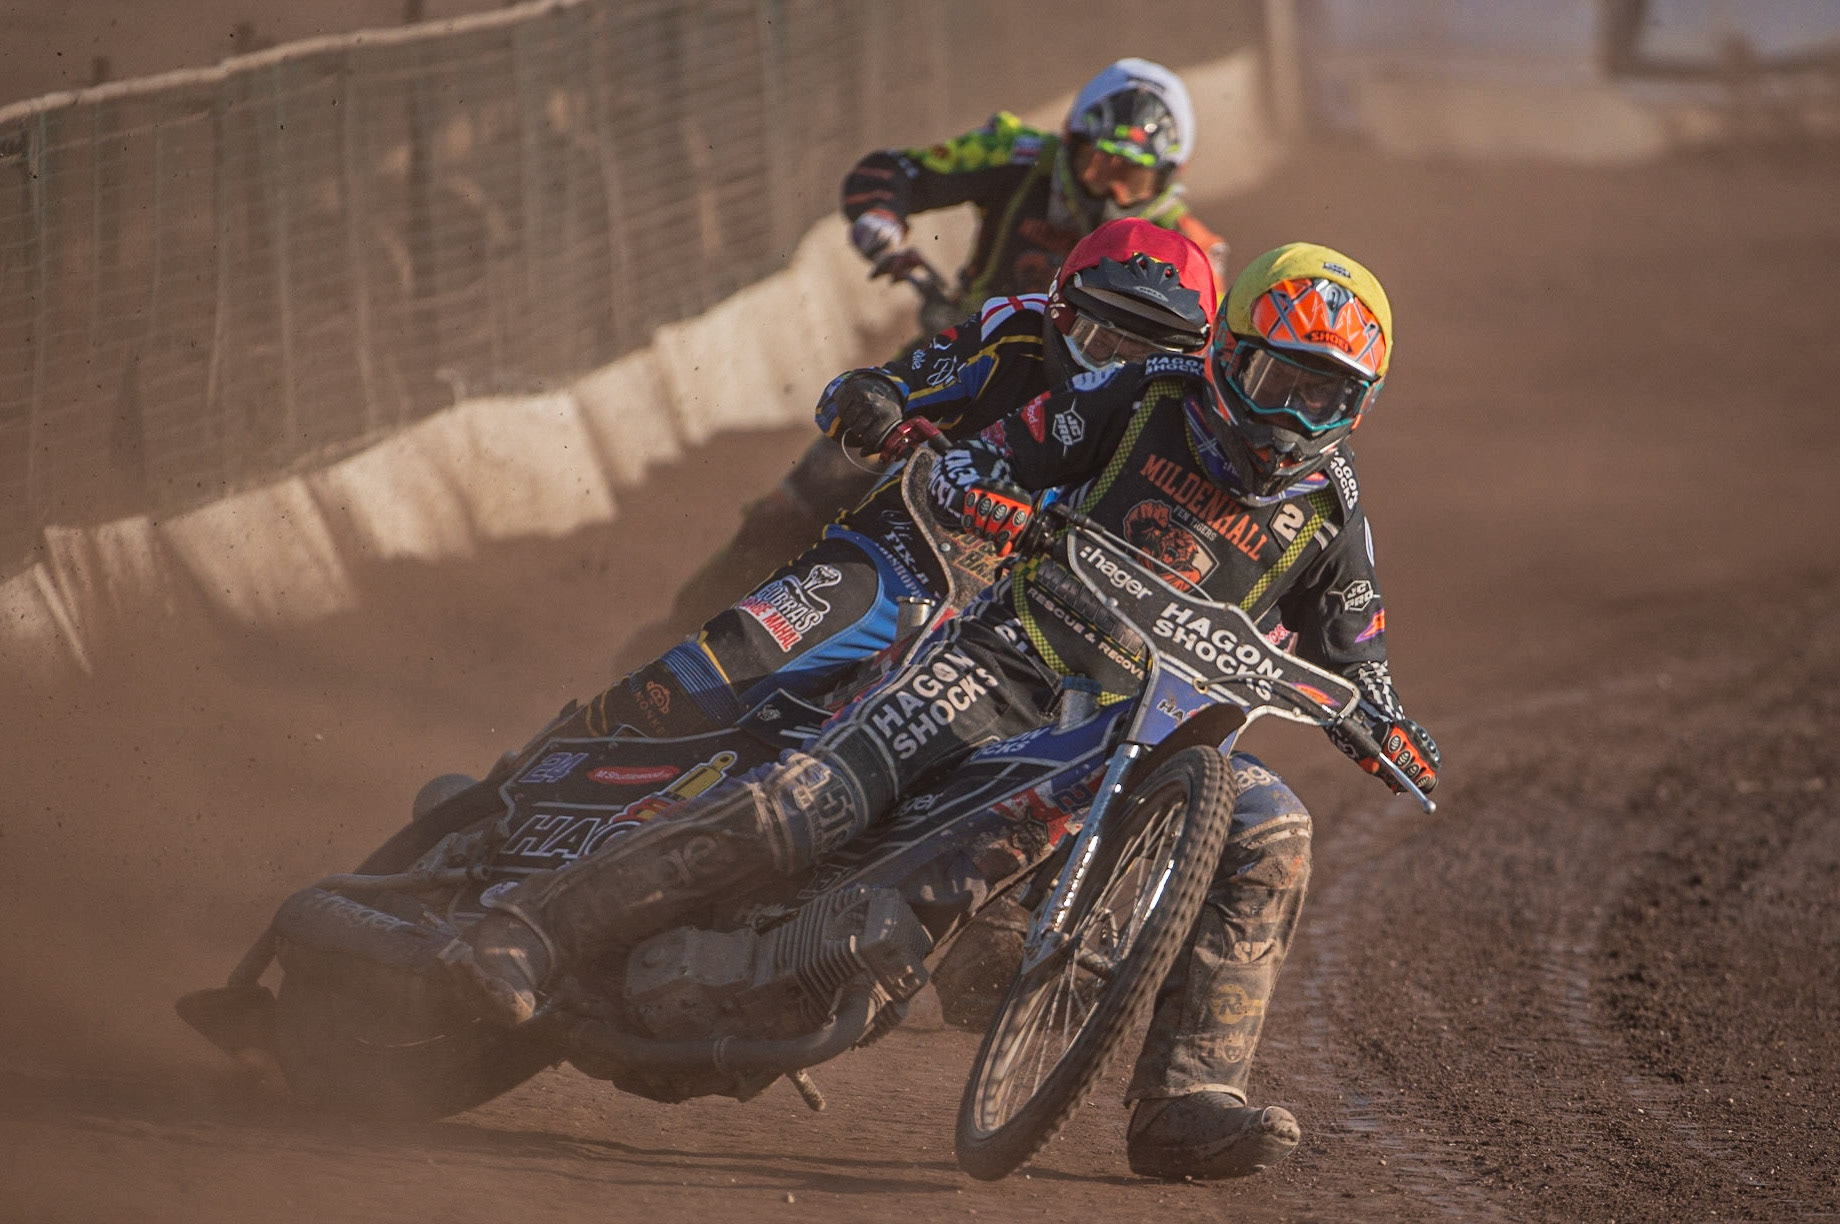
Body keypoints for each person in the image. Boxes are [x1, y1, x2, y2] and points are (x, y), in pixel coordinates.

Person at [447, 243, 1442, 1181]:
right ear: (1229, 356)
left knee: (1275, 825)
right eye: (1281, 384)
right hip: (1008, 661)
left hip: (1141, 741)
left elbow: (1357, 658)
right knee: (808, 802)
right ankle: (534, 928)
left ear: (1360, 405)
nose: (1293, 418)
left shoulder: (1328, 511)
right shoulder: (1140, 395)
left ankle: (1184, 1098)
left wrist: (1386, 725)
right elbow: (993, 454)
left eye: (1326, 395)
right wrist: (991, 491)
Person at [633, 59, 1232, 658]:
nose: (1109, 192)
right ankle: (679, 634)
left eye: (1133, 180)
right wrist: (881, 219)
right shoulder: (1020, 155)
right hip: (960, 363)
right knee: (819, 483)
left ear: (1169, 180)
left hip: (1088, 428)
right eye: (1100, 166)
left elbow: (1211, 369)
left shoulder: (1193, 256)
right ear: (1070, 143)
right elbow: (894, 170)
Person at [580, 219, 1217, 738]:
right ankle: (545, 766)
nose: (1116, 372)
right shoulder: (1013, 330)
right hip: (907, 556)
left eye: (1147, 357)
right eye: (1102, 343)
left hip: (1037, 632)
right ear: (1060, 313)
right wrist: (876, 398)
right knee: (721, 665)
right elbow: (898, 380)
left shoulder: (1204, 429)